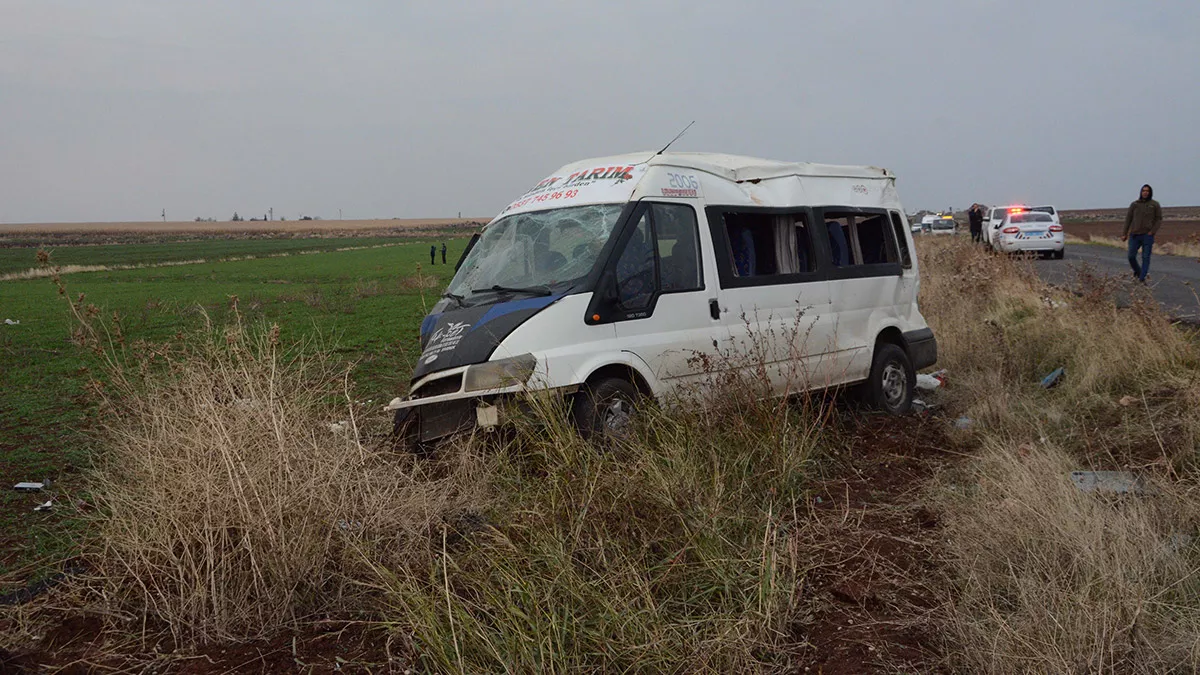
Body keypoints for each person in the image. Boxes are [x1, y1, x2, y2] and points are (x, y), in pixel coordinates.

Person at [1122, 184, 1163, 283]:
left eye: (1147, 191)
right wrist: (1124, 233)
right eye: (1143, 191)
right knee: (1131, 256)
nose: (1145, 192)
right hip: (1134, 235)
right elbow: (1128, 219)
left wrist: (1152, 232)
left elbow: (1159, 219)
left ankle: (1141, 278)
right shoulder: (1135, 204)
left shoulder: (1154, 204)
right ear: (1141, 192)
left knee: (1145, 257)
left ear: (1150, 193)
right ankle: (1138, 272)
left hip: (1147, 235)